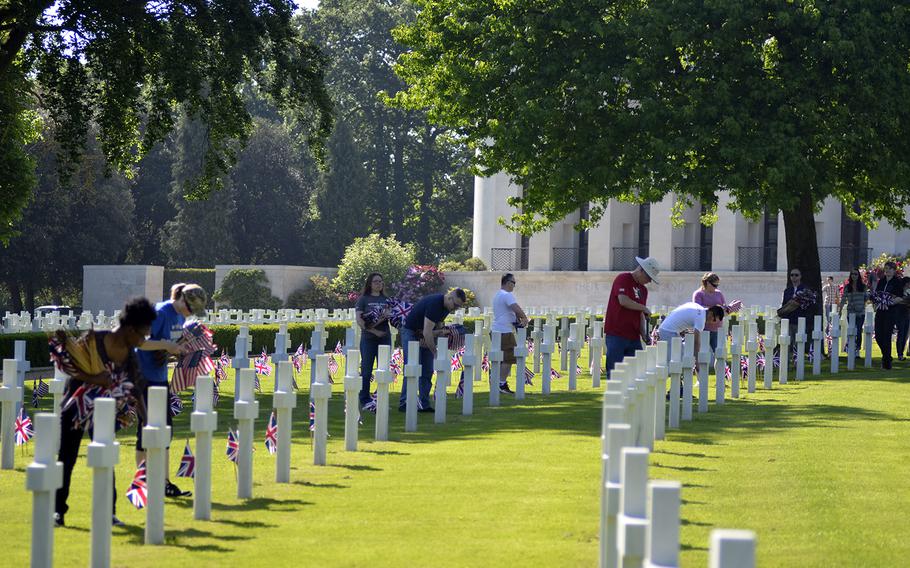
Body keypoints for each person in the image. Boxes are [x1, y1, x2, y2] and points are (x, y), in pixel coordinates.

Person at [53, 297, 157, 527]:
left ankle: (107, 512)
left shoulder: (129, 354)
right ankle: (57, 511)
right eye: (142, 334)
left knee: (105, 459)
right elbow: (72, 367)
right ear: (130, 328)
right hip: (76, 407)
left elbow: (136, 387)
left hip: (104, 411)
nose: (143, 340)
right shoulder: (95, 339)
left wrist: (147, 421)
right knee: (66, 459)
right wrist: (94, 378)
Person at [135, 283, 207, 497]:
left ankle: (164, 482)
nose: (191, 314)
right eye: (191, 308)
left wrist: (177, 350)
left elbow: (167, 345)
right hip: (143, 376)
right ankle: (142, 480)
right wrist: (168, 346)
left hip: (159, 377)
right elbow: (140, 342)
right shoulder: (160, 312)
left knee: (165, 429)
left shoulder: (180, 317)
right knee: (145, 429)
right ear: (183, 300)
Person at [398, 289, 467, 412]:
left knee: (427, 370)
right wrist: (434, 351)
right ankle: (405, 402)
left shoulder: (446, 307)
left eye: (458, 307)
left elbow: (438, 324)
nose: (455, 309)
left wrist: (444, 332)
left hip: (423, 334)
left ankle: (424, 403)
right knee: (412, 368)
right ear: (450, 297)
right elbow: (427, 331)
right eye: (455, 305)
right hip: (411, 332)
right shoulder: (435, 303)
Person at [603, 256, 659, 378]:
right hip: (617, 334)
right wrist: (643, 308)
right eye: (648, 277)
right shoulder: (623, 278)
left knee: (635, 373)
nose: (649, 281)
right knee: (614, 372)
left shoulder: (643, 290)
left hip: (634, 337)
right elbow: (623, 300)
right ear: (641, 270)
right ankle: (615, 397)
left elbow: (640, 314)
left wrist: (644, 333)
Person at [355, 273, 392, 410]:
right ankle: (365, 399)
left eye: (381, 281)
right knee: (366, 369)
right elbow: (359, 321)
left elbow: (391, 317)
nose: (379, 284)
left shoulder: (387, 299)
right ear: (370, 283)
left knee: (383, 370)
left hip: (384, 338)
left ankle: (381, 398)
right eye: (376, 281)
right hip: (368, 339)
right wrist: (374, 331)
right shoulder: (363, 300)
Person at [491, 273, 529, 394]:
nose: (514, 285)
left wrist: (517, 319)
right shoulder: (507, 295)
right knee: (509, 358)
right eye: (513, 283)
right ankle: (501, 384)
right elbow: (515, 308)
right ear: (507, 282)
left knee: (501, 359)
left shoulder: (498, 294)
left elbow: (508, 312)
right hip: (504, 332)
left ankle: (497, 382)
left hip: (497, 330)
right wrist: (525, 318)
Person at [658, 302, 725, 363]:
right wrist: (697, 361)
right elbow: (696, 342)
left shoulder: (698, 308)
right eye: (714, 320)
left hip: (666, 329)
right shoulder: (701, 319)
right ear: (711, 313)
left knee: (678, 359)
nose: (711, 323)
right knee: (677, 361)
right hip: (669, 332)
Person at [873, 261, 903, 370]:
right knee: (878, 336)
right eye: (886, 268)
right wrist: (876, 303)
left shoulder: (897, 282)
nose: (887, 270)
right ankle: (887, 357)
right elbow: (877, 295)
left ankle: (886, 363)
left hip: (891, 312)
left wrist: (889, 303)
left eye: (890, 268)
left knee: (886, 337)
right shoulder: (881, 281)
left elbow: (900, 298)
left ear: (894, 270)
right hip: (880, 311)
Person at [691, 272, 725, 358]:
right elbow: (698, 309)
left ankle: (720, 371)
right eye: (714, 285)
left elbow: (723, 307)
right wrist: (714, 309)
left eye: (717, 285)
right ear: (707, 283)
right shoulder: (698, 294)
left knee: (719, 355)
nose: (716, 288)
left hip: (717, 329)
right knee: (702, 354)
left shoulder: (719, 294)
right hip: (703, 329)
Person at [777, 268, 815, 343]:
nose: (794, 277)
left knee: (799, 344)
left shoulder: (805, 290)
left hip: (800, 321)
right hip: (789, 321)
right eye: (792, 275)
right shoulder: (788, 290)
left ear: (800, 276)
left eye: (796, 275)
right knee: (788, 343)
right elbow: (784, 305)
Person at [837, 268, 868, 355]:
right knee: (851, 330)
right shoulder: (847, 287)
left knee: (858, 331)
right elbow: (843, 299)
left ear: (858, 276)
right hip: (851, 312)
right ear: (850, 276)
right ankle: (850, 347)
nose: (854, 276)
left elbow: (866, 298)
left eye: (856, 274)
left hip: (861, 312)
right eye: (852, 274)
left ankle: (857, 349)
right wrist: (839, 310)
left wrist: (864, 301)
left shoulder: (863, 286)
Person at [895, 276, 910, 361]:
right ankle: (899, 353)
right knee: (901, 334)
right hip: (900, 314)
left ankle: (901, 352)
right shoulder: (900, 292)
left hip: (907, 314)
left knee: (905, 335)